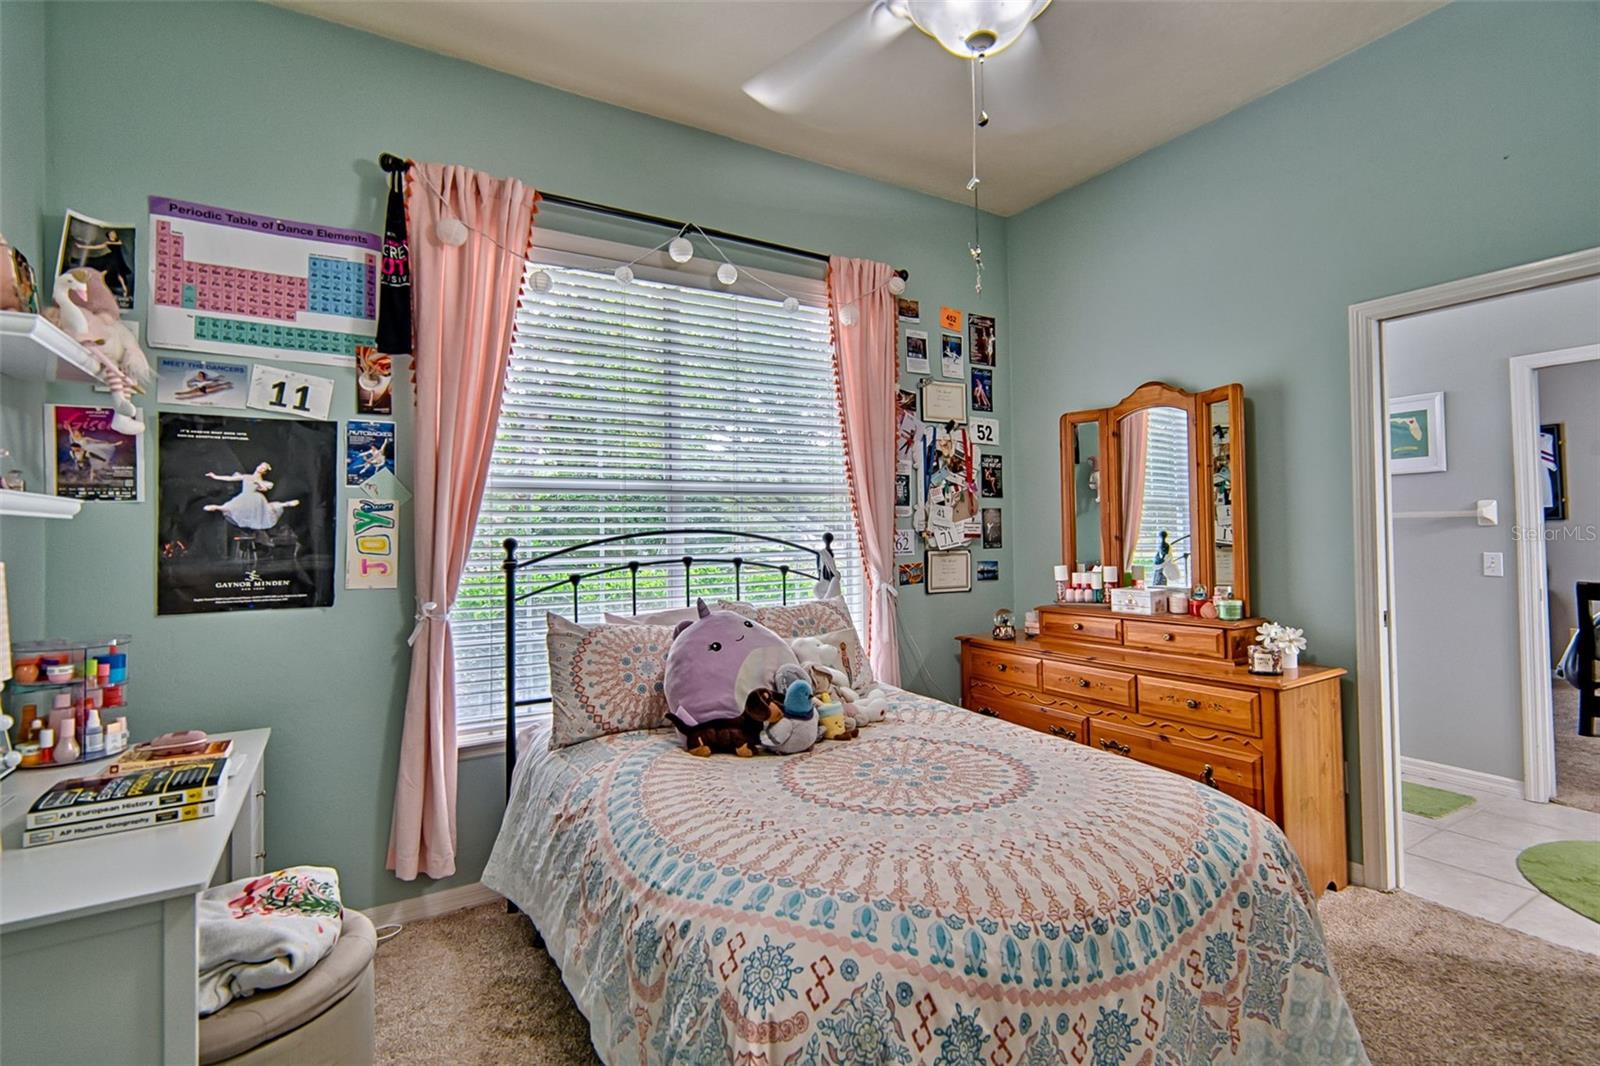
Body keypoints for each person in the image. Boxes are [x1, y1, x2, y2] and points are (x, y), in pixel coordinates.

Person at [203, 462, 299, 530]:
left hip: (255, 498)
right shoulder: (247, 476)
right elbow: (229, 478)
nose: (261, 468)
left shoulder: (262, 481)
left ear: (264, 472)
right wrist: (215, 476)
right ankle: (217, 507)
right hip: (244, 496)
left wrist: (258, 482)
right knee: (231, 507)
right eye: (261, 466)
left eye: (263, 468)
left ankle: (285, 504)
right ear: (258, 466)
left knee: (266, 509)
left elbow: (264, 488)